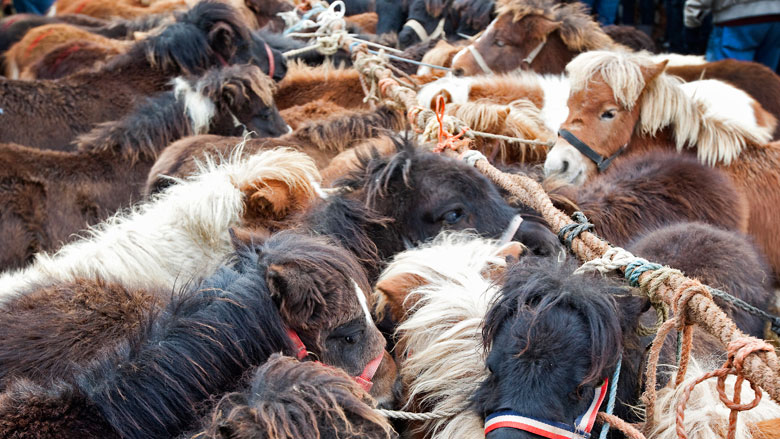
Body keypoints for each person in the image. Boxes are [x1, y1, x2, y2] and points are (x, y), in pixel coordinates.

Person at [685, 0, 780, 71]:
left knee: (728, 79)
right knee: (767, 79)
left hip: (735, 20)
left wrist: (691, 22)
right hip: (775, 18)